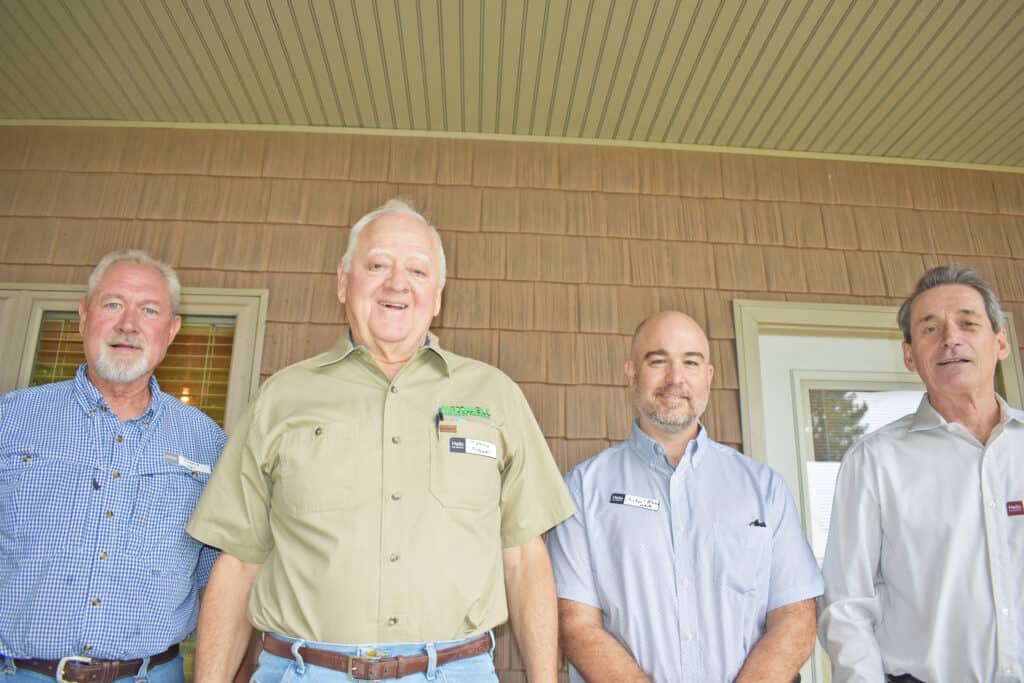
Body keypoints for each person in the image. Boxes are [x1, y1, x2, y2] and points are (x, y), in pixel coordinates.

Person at [186, 199, 575, 683]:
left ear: (437, 296)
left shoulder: (496, 396)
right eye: (377, 265)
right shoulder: (281, 398)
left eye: (417, 270)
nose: (397, 284)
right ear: (343, 281)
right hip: (307, 671)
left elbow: (523, 558)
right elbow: (239, 560)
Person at [547, 310, 823, 683]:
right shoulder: (582, 489)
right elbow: (576, 625)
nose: (675, 379)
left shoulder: (764, 488)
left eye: (690, 362)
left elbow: (795, 617)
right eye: (658, 361)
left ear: (708, 376)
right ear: (631, 371)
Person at [0, 249, 227, 683]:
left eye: (149, 310)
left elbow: (217, 581)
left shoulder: (209, 443)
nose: (128, 324)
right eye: (113, 304)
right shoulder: (11, 420)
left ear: (171, 330)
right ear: (84, 316)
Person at [819, 264, 1024, 682]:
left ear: (1000, 342)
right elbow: (845, 604)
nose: (952, 338)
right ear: (910, 355)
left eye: (968, 323)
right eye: (930, 329)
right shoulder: (875, 461)